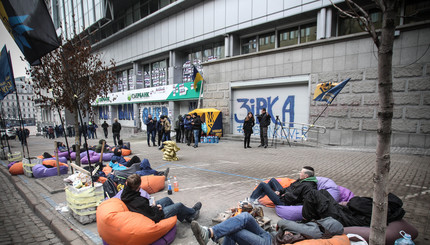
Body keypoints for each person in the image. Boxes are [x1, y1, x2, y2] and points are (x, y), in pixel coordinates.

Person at [191, 212, 343, 245]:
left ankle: (210, 233)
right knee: (244, 217)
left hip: (270, 243)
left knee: (235, 229)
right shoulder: (316, 230)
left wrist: (287, 227)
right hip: (271, 236)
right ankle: (210, 232)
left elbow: (284, 222)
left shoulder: (317, 231)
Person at [121, 174, 202, 223]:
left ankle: (186, 216)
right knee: (179, 205)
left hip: (146, 208)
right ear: (138, 187)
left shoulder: (127, 193)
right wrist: (156, 208)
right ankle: (192, 213)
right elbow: (153, 217)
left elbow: (143, 206)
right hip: (154, 216)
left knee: (167, 199)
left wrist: (152, 205)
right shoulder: (138, 202)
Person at [250, 166, 317, 206]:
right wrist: (280, 191)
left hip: (283, 202)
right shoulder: (301, 180)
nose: (299, 173)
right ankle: (259, 197)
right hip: (284, 195)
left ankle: (250, 201)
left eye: (301, 172)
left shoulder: (309, 187)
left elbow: (302, 200)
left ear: (306, 176)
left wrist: (284, 195)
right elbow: (290, 187)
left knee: (263, 184)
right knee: (272, 180)